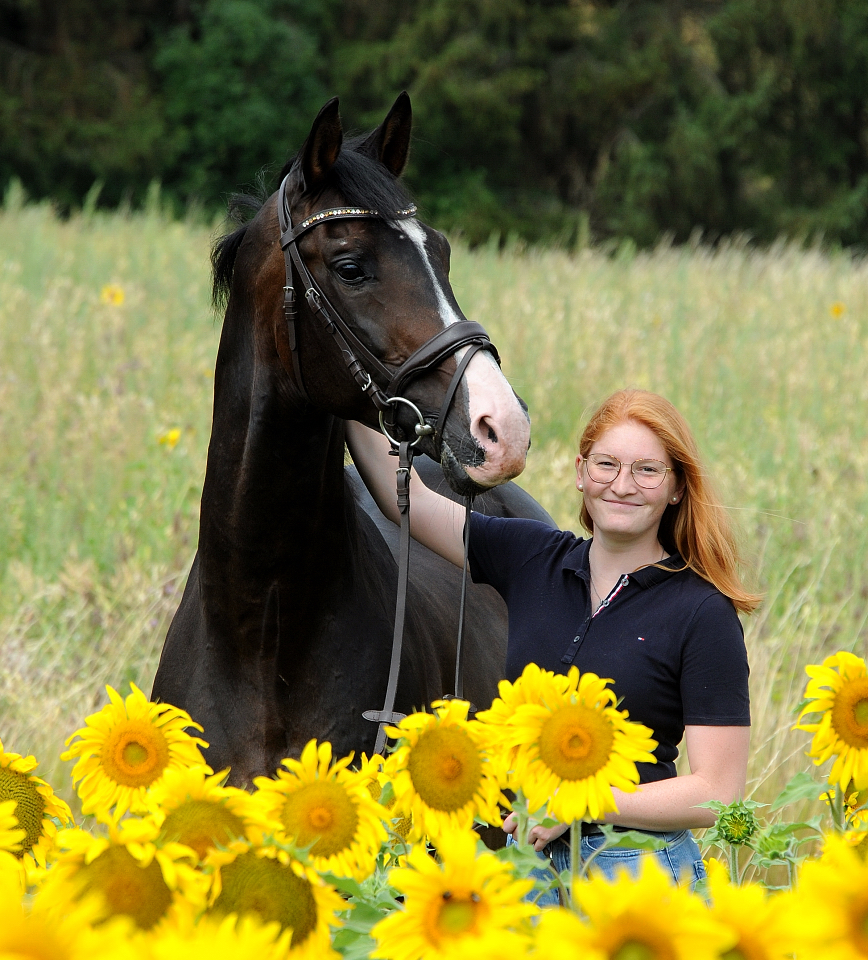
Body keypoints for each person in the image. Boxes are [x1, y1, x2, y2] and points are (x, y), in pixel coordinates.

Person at [346, 388, 759, 895]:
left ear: (676, 488)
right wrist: (349, 398)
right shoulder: (531, 557)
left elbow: (718, 792)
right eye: (607, 464)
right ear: (581, 471)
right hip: (524, 863)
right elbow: (406, 499)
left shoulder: (702, 611)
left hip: (635, 869)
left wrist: (581, 803)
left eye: (647, 470)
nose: (622, 485)